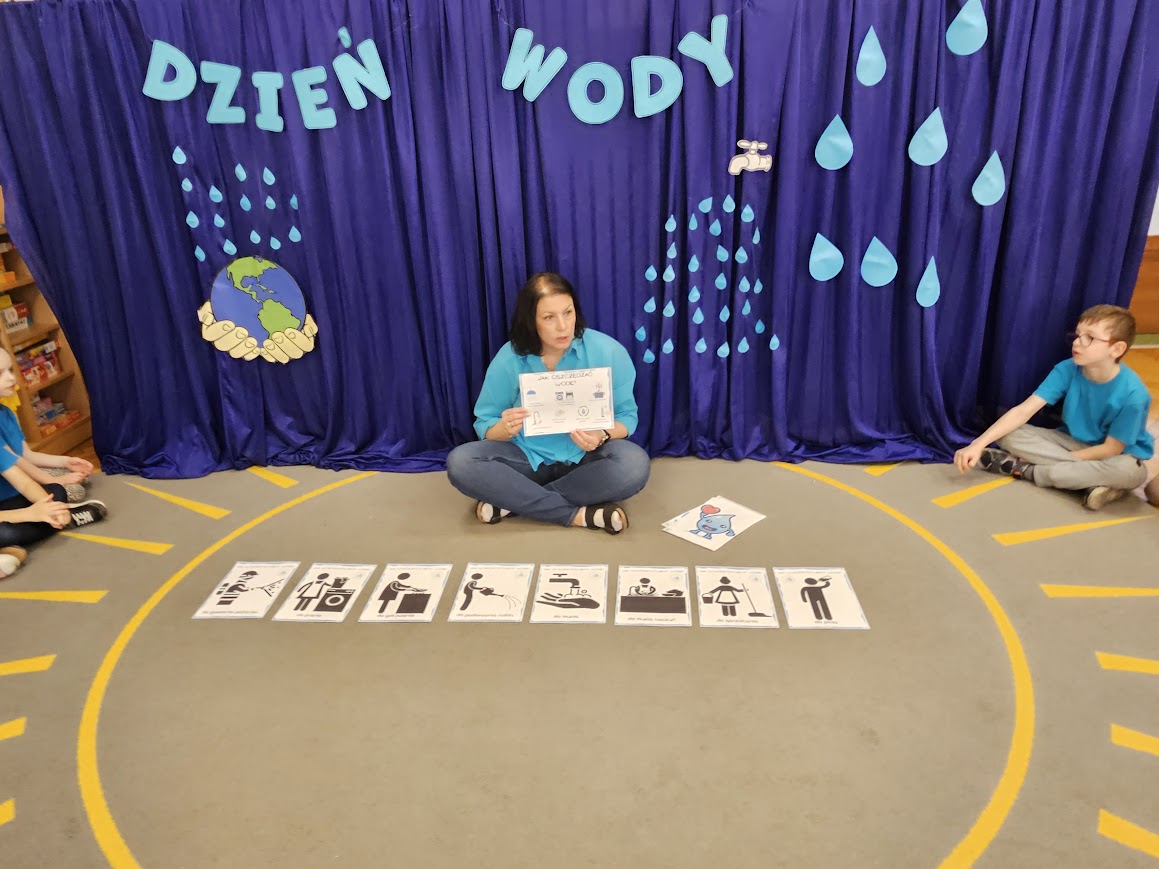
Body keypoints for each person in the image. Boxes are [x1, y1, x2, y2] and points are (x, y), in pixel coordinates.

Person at [446, 272, 651, 533]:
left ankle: (515, 500)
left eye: (568, 313)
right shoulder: (510, 357)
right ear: (531, 321)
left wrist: (602, 435)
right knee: (461, 462)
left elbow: (627, 417)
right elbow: (486, 423)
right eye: (549, 317)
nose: (563, 326)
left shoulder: (609, 351)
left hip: (586, 459)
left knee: (634, 464)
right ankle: (577, 515)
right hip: (526, 458)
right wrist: (504, 429)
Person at [954, 305, 1159, 510]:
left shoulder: (1134, 395)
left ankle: (1029, 471)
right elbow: (1024, 410)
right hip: (1070, 443)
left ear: (1117, 349)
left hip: (1116, 457)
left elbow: (1111, 449)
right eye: (1077, 335)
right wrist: (978, 444)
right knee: (1009, 434)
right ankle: (1093, 482)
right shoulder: (1067, 368)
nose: (1077, 342)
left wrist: (1065, 462)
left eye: (1089, 338)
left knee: (1129, 472)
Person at [0, 348, 108, 579]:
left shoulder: (5, 413)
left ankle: (56, 519)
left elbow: (20, 470)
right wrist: (30, 513)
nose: (11, 378)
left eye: (10, 370)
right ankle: (61, 520)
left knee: (57, 491)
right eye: (0, 373)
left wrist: (47, 506)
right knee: (6, 532)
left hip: (8, 500)